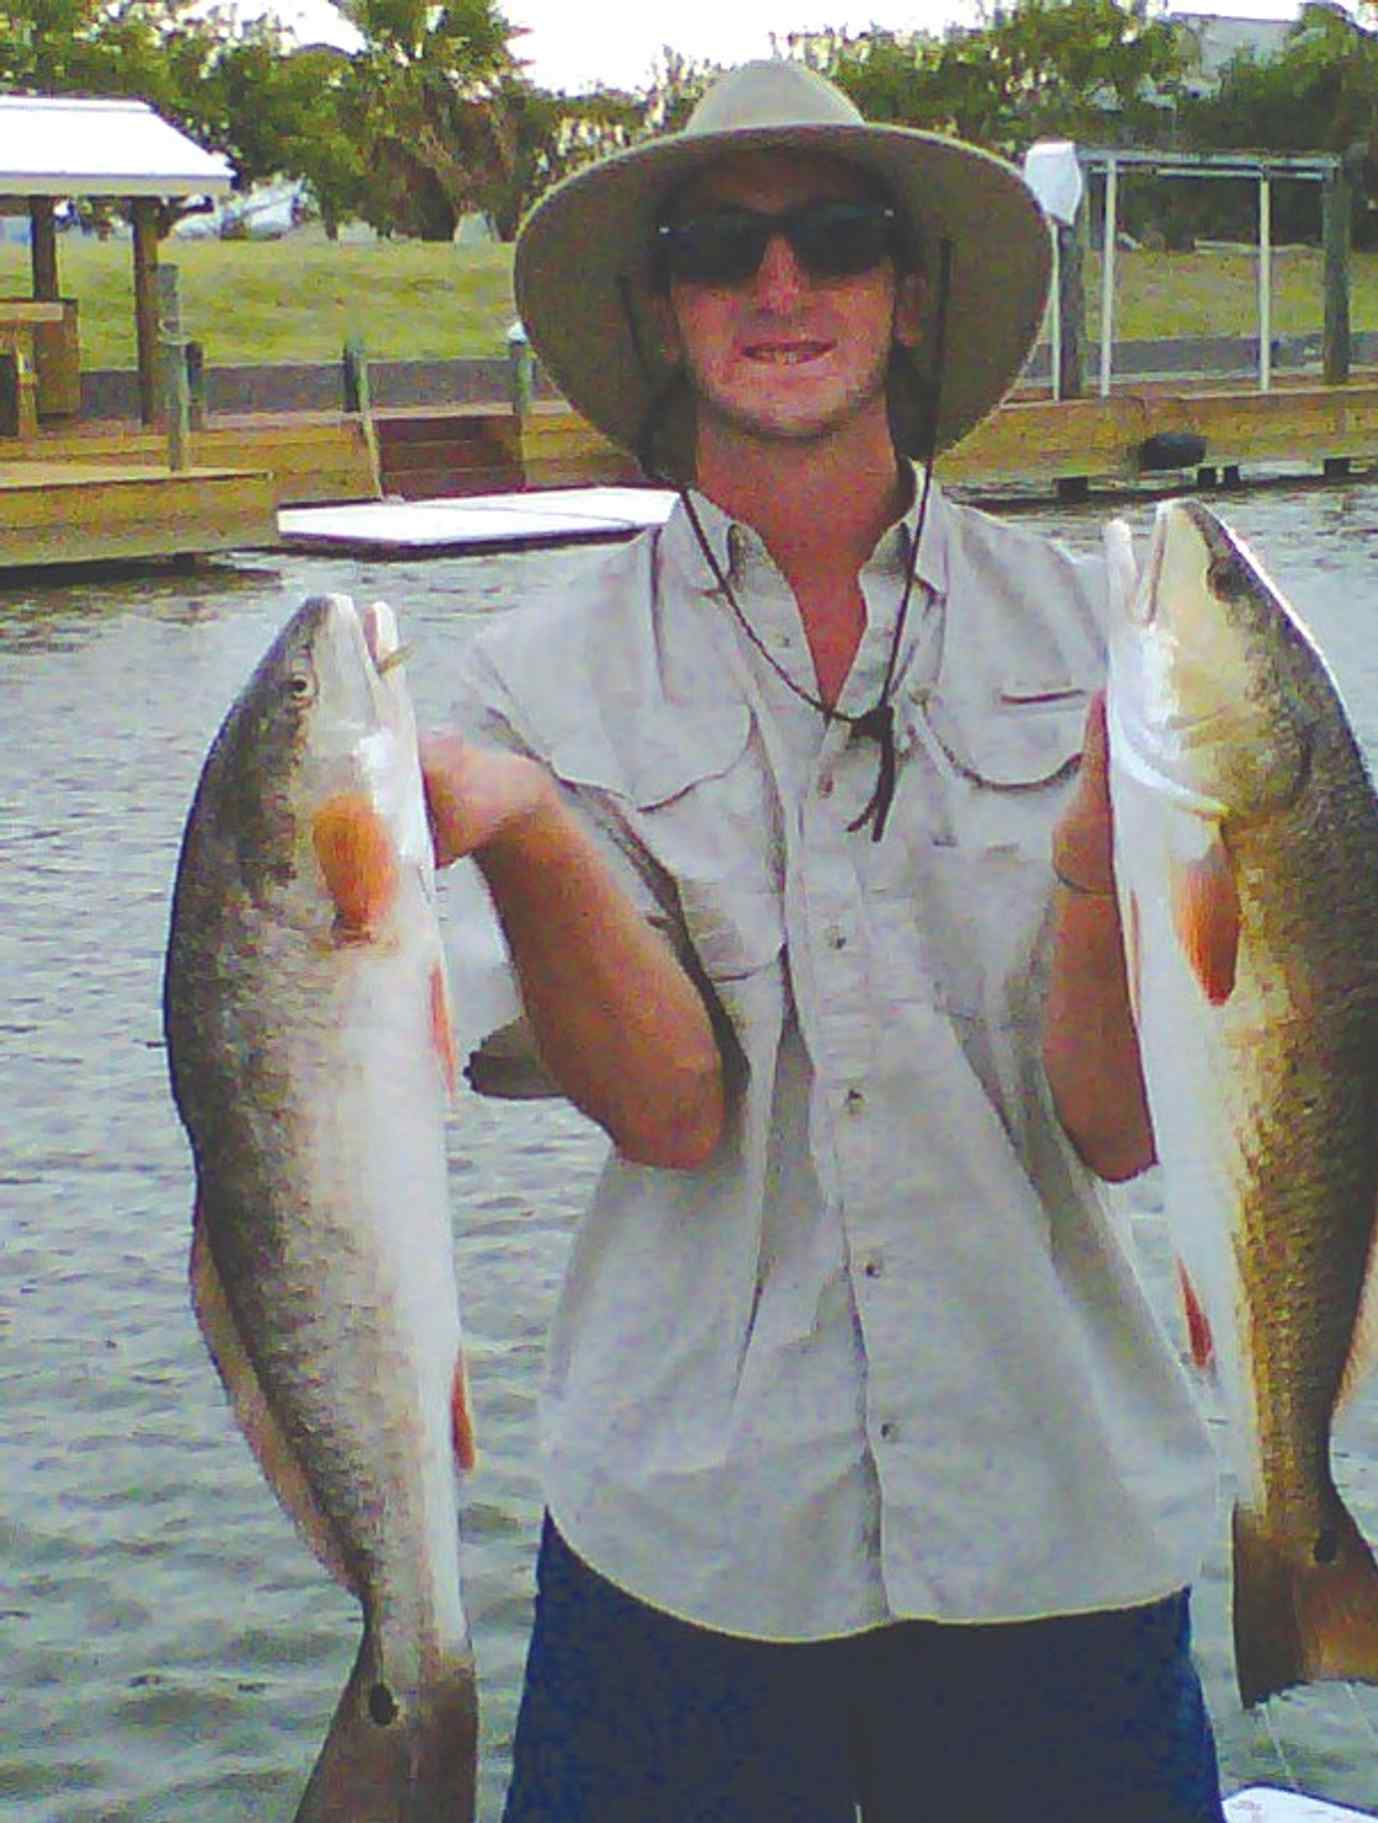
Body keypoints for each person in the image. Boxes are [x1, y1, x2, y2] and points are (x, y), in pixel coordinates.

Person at [423, 58, 1224, 1823]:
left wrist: (1105, 861)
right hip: (683, 1558)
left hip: (1057, 1533)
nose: (779, 286)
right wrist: (534, 832)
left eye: (837, 237)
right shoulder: (521, 693)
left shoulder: (1125, 649)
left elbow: (1119, 1129)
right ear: (664, 309)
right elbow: (668, 1116)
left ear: (908, 292)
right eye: (720, 248)